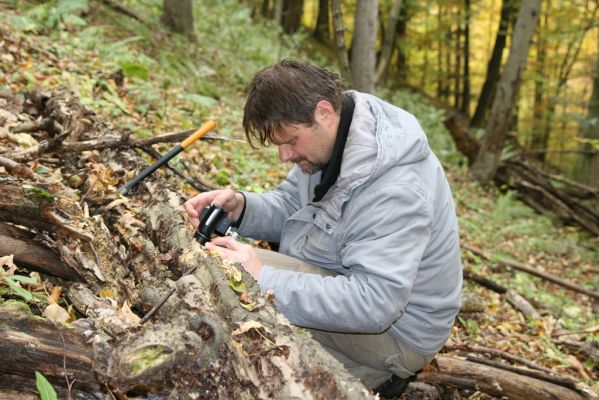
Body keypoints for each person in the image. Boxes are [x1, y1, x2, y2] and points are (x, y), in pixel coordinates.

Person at [185, 59, 462, 397]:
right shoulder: (334, 141)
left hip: (397, 334)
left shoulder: (395, 189)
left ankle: (371, 377)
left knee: (241, 295)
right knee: (231, 277)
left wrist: (263, 277)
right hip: (350, 285)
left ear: (324, 113)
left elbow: (376, 304)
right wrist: (242, 207)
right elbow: (293, 205)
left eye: (290, 141)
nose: (284, 156)